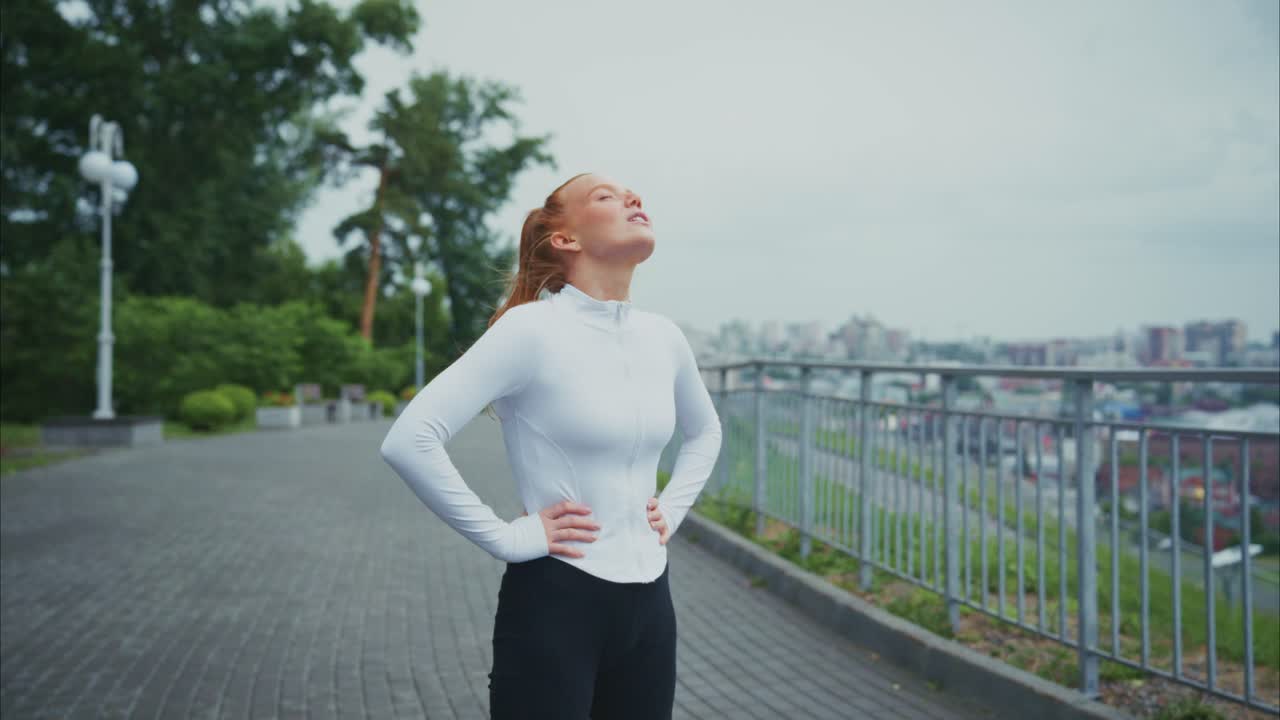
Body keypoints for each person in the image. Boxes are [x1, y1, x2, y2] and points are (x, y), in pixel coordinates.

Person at [378, 172, 723, 719]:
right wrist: (505, 538)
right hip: (556, 602)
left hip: (651, 605)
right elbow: (410, 439)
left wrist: (673, 510)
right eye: (605, 196)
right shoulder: (530, 330)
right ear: (566, 239)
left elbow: (706, 432)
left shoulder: (664, 337)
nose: (633, 198)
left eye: (632, 192)